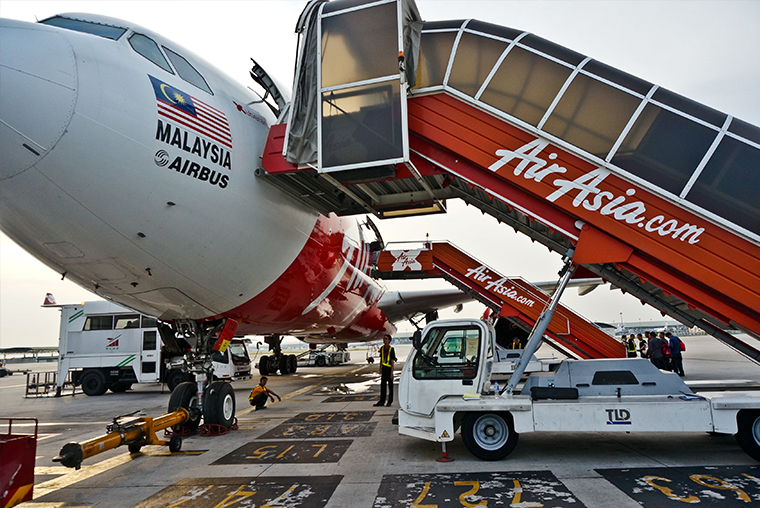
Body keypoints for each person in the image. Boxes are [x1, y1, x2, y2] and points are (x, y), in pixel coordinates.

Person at [374, 334, 397, 407]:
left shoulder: (391, 349)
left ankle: (389, 401)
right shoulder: (382, 349)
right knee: (383, 386)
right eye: (384, 338)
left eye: (386, 339)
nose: (384, 340)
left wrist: (392, 372)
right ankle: (382, 401)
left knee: (390, 386)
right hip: (384, 369)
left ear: (389, 340)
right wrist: (380, 369)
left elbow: (392, 361)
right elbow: (381, 359)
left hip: (389, 369)